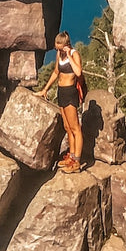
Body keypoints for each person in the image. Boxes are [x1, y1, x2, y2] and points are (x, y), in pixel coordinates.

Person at [35, 30, 85, 172]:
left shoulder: (74, 54)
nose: (56, 46)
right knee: (67, 127)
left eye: (58, 44)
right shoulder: (59, 54)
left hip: (70, 93)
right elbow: (56, 72)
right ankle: (71, 156)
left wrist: (69, 55)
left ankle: (76, 162)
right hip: (61, 92)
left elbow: (78, 72)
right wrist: (45, 89)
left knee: (75, 128)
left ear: (65, 44)